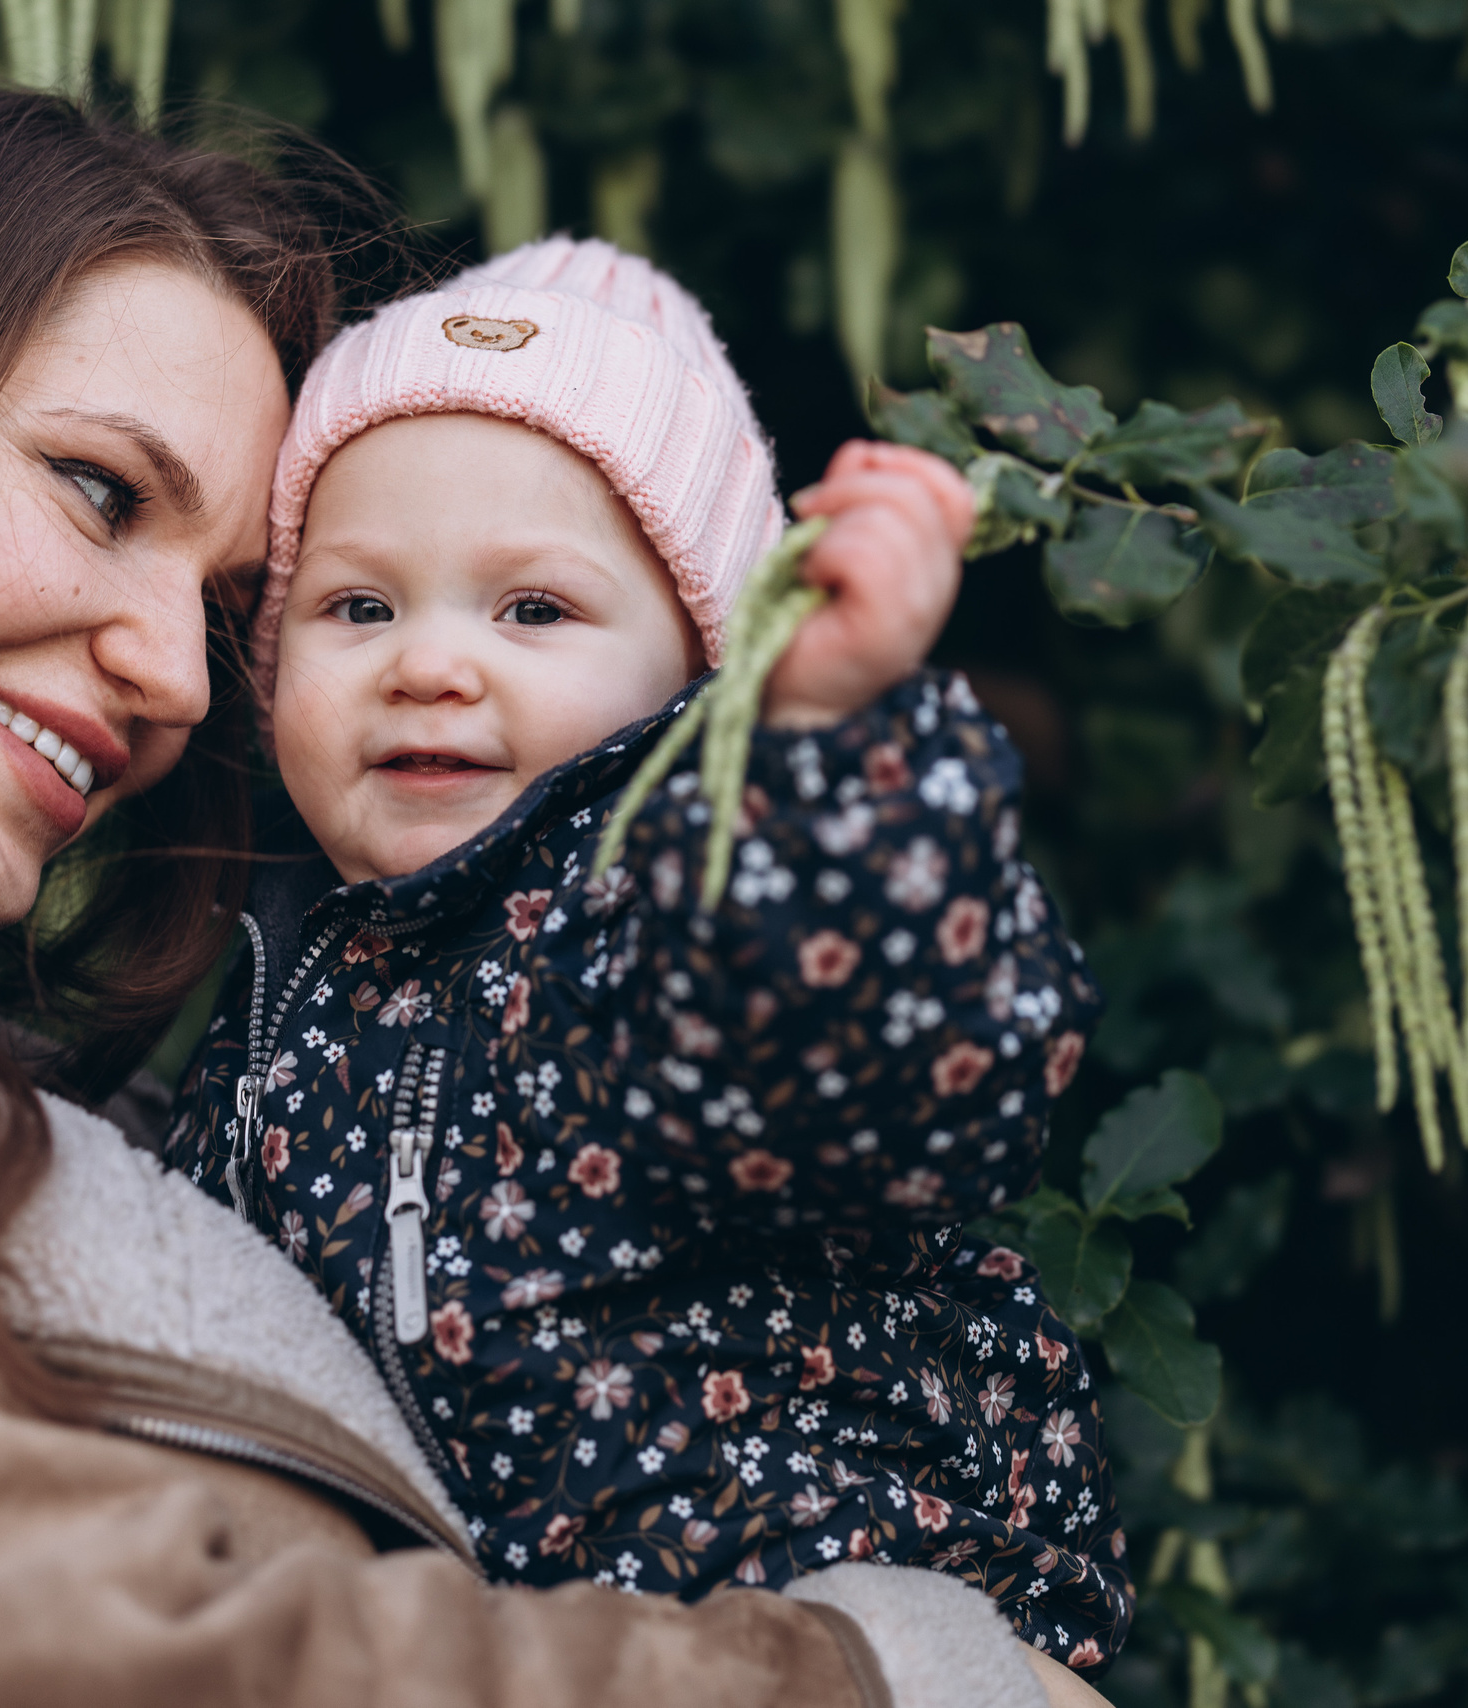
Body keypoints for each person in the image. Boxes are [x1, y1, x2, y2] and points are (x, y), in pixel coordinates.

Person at [0, 75, 1099, 1708]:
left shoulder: (581, 934)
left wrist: (828, 758)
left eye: (223, 593)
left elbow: (902, 1052)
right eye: (102, 492)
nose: (173, 673)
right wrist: (901, 1683)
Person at [162, 238, 1131, 1670]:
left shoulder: (670, 906)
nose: (430, 661)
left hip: (819, 1640)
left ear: (696, 674)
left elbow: (901, 1062)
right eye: (358, 606)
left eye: (533, 610)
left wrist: (829, 753)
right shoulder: (280, 962)